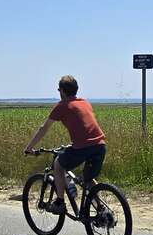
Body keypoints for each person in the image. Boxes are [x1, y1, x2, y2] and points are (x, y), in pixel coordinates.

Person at [24, 75, 106, 214]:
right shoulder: (85, 102)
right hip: (100, 145)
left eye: (58, 90)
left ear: (62, 90)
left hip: (83, 148)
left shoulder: (62, 106)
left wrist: (29, 147)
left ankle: (60, 202)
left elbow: (43, 128)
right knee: (88, 179)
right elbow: (85, 128)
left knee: (58, 164)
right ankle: (102, 209)